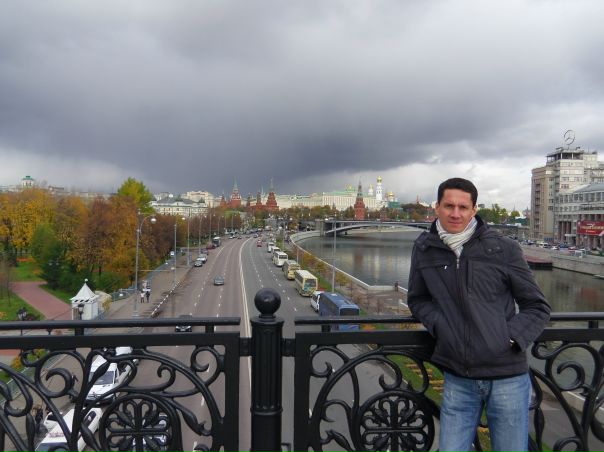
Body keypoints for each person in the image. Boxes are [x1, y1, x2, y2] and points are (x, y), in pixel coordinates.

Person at [407, 177, 550, 452]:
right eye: (449, 206)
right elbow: (418, 299)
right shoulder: (424, 248)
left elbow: (537, 306)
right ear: (436, 207)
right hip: (458, 377)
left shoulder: (503, 248)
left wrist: (508, 338)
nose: (455, 213)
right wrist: (441, 326)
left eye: (463, 207)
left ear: (474, 210)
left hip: (507, 377)